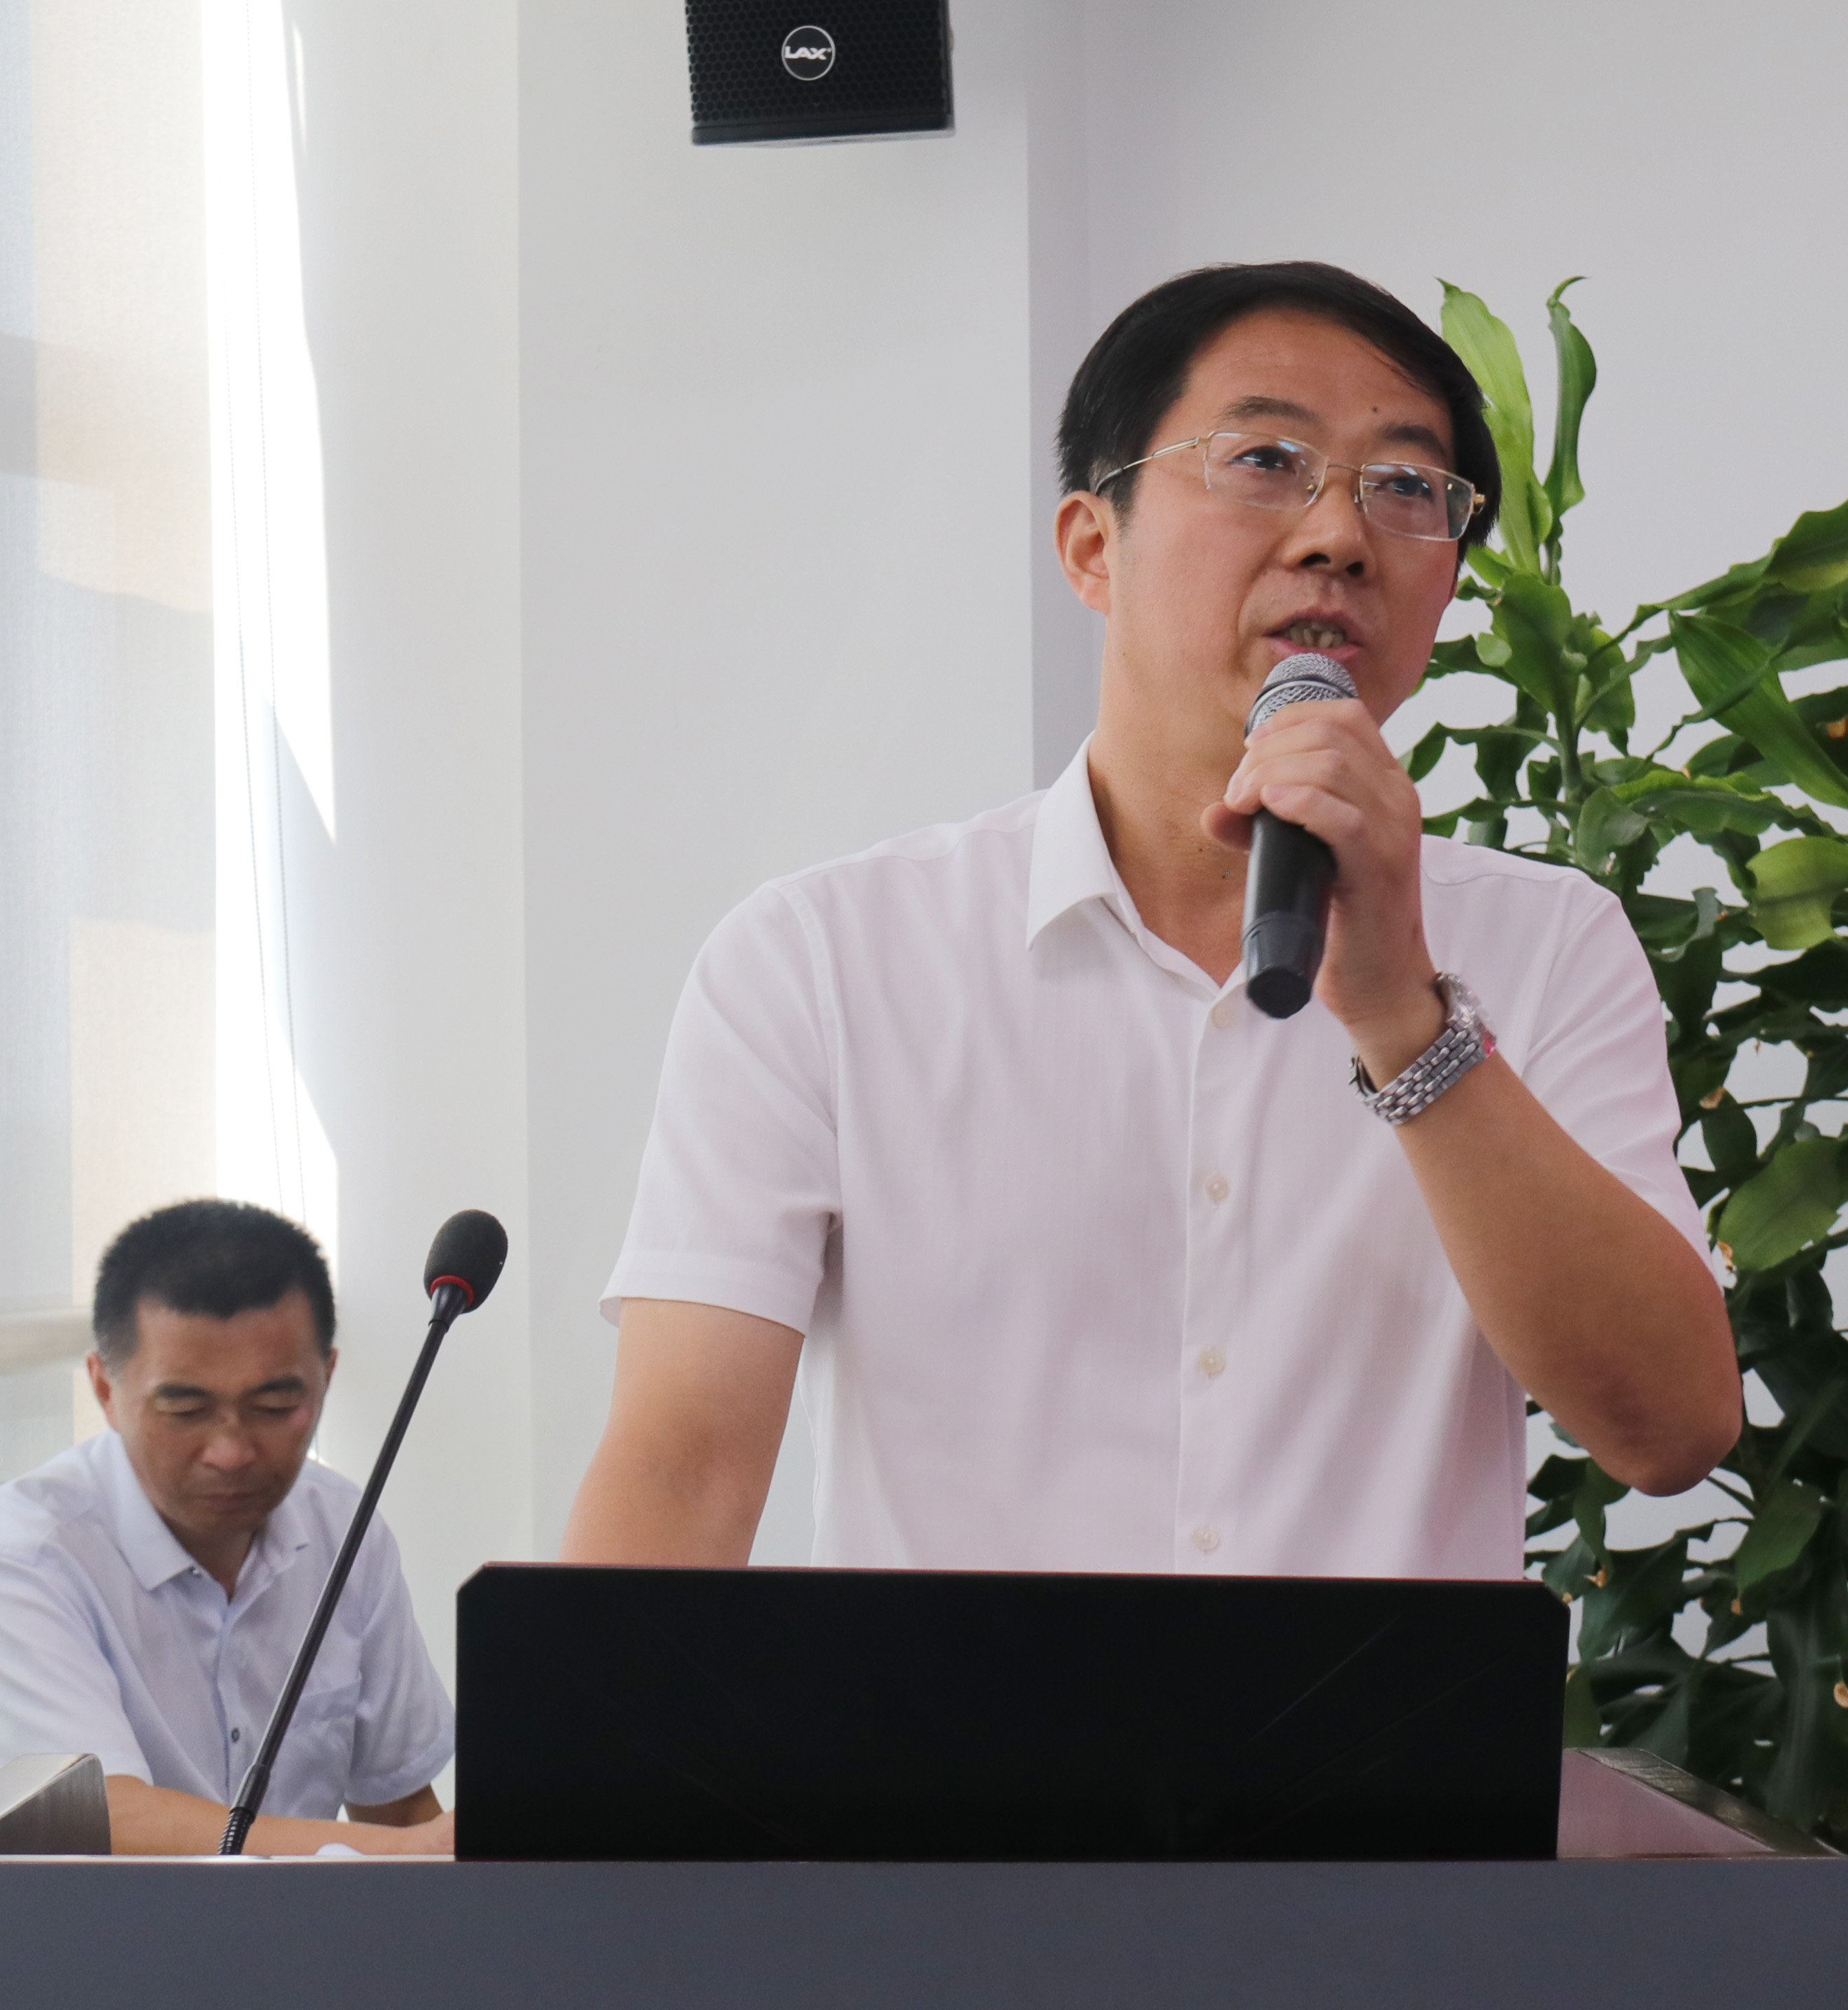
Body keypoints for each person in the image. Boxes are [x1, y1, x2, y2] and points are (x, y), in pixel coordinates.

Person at [563, 261, 1739, 1582]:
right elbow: (682, 1470)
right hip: (943, 1728)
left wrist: (1403, 1016)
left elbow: (1669, 1427)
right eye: (1265, 460)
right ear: (1090, 546)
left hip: (1376, 1732)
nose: (1339, 535)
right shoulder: (822, 960)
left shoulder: (1549, 945)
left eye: (1407, 486)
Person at [0, 1199, 454, 1855]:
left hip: (301, 1917)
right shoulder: (19, 1559)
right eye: (185, 1409)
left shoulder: (345, 1528)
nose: (230, 1452)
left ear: (327, 1377)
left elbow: (400, 1811)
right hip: (72, 1921)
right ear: (105, 1390)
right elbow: (104, 1824)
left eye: (274, 1405)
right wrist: (407, 1852)